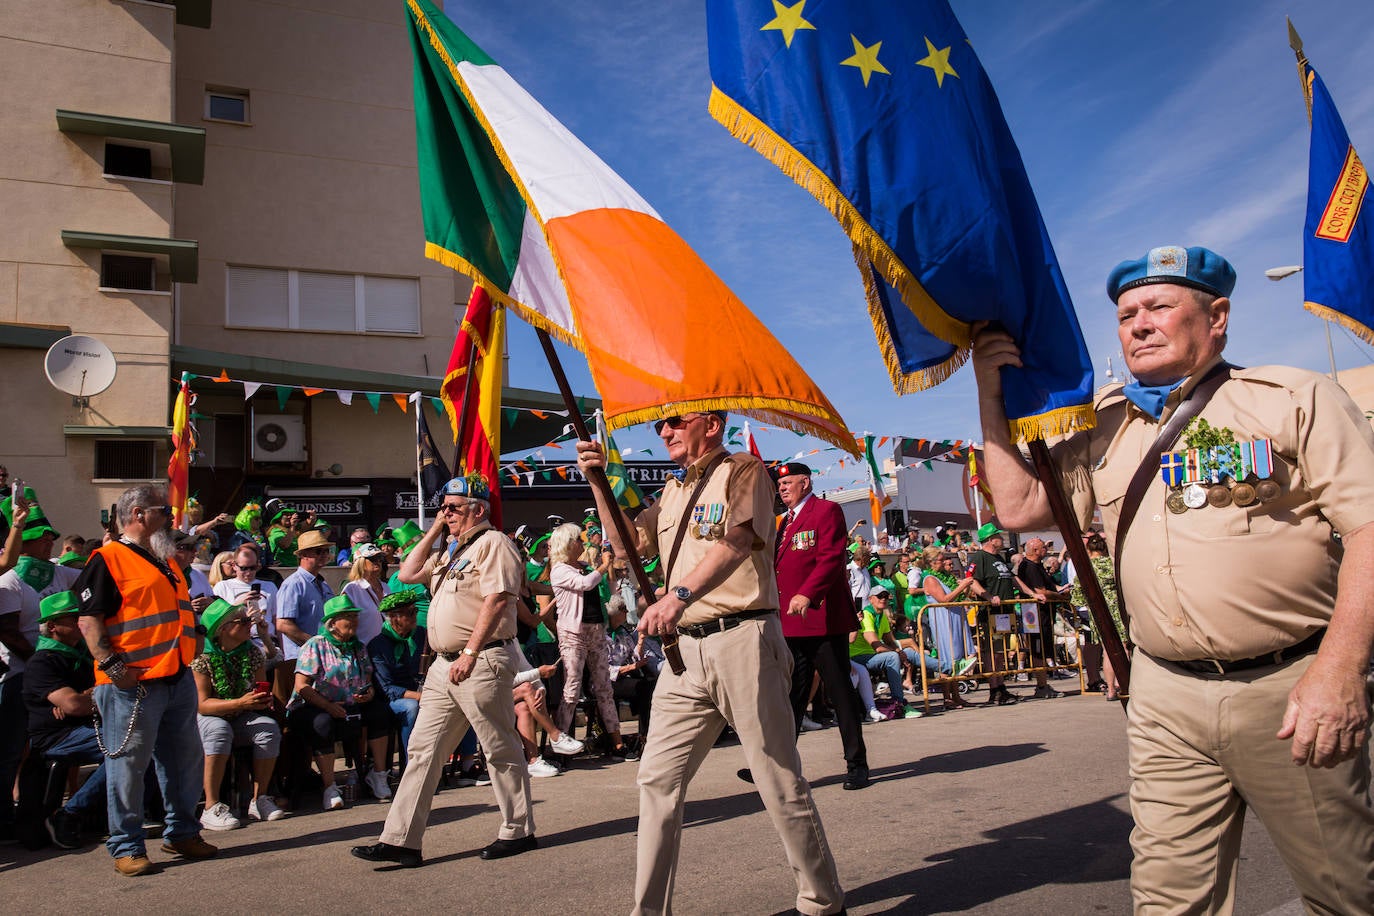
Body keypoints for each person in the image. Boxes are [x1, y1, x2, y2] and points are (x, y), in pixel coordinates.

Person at [970, 244, 1374, 913]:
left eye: (1159, 306)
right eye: (1127, 313)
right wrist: (990, 395)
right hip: (1164, 695)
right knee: (1168, 899)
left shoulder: (1288, 397)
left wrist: (1340, 670)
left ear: (1217, 318)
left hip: (1288, 689)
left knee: (1345, 890)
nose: (1138, 323)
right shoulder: (1101, 425)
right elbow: (1018, 510)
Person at [577, 411, 844, 916]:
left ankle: (822, 902)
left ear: (713, 425)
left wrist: (676, 596)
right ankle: (649, 911)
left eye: (676, 421)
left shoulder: (743, 470)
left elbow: (738, 541)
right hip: (685, 652)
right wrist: (597, 484)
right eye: (660, 425)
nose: (664, 431)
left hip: (743, 637)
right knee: (656, 779)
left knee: (777, 778)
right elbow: (627, 546)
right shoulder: (673, 491)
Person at [352, 473, 536, 870]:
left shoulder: (494, 543)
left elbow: (499, 598)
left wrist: (470, 651)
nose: (446, 513)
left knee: (498, 746)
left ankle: (518, 829)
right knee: (423, 750)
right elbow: (406, 573)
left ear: (478, 509)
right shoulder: (452, 550)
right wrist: (435, 526)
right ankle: (401, 839)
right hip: (442, 665)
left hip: (481, 658)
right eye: (444, 507)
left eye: (453, 508)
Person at [73, 484, 215, 876]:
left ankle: (183, 832)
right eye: (163, 511)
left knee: (185, 761)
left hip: (175, 677)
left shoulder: (165, 560)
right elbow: (87, 618)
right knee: (127, 768)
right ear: (138, 514)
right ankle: (126, 845)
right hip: (131, 686)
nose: (171, 518)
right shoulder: (108, 558)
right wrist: (113, 667)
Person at [771, 461, 870, 791]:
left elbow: (831, 557)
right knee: (792, 697)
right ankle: (778, 768)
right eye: (780, 484)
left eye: (788, 482)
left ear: (805, 482)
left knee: (839, 691)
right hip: (790, 621)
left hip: (822, 618)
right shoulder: (782, 522)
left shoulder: (825, 510)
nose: (782, 487)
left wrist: (807, 594)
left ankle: (857, 763)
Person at [0, 494, 79, 843]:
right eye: (40, 533)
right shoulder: (8, 580)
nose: (50, 539)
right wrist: (40, 669)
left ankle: (40, 815)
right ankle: (5, 816)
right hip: (20, 675)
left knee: (45, 749)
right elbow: (8, 632)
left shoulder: (59, 571)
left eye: (51, 534)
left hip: (54, 675)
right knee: (12, 749)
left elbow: (95, 574)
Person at [286, 594, 392, 809]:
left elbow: (368, 678)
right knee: (322, 723)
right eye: (348, 617)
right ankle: (329, 787)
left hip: (351, 704)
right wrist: (328, 706)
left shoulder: (358, 646)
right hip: (313, 705)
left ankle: (378, 774)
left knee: (381, 713)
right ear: (332, 623)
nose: (354, 621)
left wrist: (369, 693)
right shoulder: (315, 645)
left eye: (355, 617)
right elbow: (302, 686)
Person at [21, 591, 107, 849]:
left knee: (141, 742)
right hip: (57, 737)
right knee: (125, 746)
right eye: (73, 618)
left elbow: (87, 700)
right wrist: (94, 696)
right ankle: (69, 814)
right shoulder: (42, 662)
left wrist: (90, 697)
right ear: (52, 626)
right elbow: (74, 705)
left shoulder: (85, 654)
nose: (81, 622)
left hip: (84, 727)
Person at [191, 598, 284, 828]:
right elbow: (202, 704)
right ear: (222, 630)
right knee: (219, 730)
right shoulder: (203, 657)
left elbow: (260, 687)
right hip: (211, 716)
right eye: (242, 621)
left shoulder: (251, 653)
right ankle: (211, 806)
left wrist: (261, 700)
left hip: (243, 715)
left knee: (268, 728)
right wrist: (240, 703)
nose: (248, 625)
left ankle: (259, 798)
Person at [547, 523, 628, 759]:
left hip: (595, 631)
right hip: (573, 633)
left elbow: (602, 586)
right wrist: (603, 566)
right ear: (569, 544)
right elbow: (585, 584)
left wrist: (606, 569)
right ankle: (560, 741)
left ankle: (616, 740)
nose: (582, 543)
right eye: (579, 540)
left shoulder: (583, 567)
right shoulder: (559, 570)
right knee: (571, 688)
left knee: (604, 687)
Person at [963, 523, 1033, 706]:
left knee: (1001, 650)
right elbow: (971, 581)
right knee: (992, 650)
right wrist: (988, 596)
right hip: (991, 612)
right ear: (990, 539)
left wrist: (1032, 594)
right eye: (998, 537)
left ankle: (1000, 686)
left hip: (1005, 611)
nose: (1001, 539)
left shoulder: (999, 558)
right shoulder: (979, 557)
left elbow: (1014, 579)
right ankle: (995, 688)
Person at [274, 529, 336, 704]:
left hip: (322, 658)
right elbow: (283, 624)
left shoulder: (323, 584)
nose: (324, 555)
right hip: (301, 660)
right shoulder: (293, 584)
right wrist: (314, 645)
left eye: (326, 551)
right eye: (318, 551)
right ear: (303, 555)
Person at [367, 591, 426, 765]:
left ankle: (466, 763)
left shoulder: (417, 636)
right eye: (410, 613)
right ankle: (412, 764)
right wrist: (419, 696)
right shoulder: (377, 645)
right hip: (391, 699)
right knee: (411, 707)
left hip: (416, 690)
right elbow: (387, 688)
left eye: (415, 611)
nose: (415, 616)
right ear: (394, 617)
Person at [1069, 532, 1124, 699]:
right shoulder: (1112, 563)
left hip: (1097, 611)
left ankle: (1111, 689)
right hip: (1117, 608)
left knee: (1107, 650)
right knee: (1123, 647)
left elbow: (1077, 597)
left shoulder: (1085, 568)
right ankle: (1122, 683)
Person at [1011, 538, 1063, 699]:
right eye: (1043, 548)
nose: (1046, 551)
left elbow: (1049, 587)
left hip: (1044, 613)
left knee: (1044, 647)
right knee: (1037, 648)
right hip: (1034, 613)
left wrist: (1059, 591)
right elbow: (1041, 591)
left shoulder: (1039, 565)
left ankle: (1043, 683)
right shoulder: (1029, 567)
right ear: (1035, 550)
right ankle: (1041, 685)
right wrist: (1059, 596)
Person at [342, 542, 389, 646]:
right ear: (360, 562)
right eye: (372, 559)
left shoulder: (385, 587)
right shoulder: (352, 589)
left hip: (388, 649)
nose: (378, 561)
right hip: (364, 650)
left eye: (380, 558)